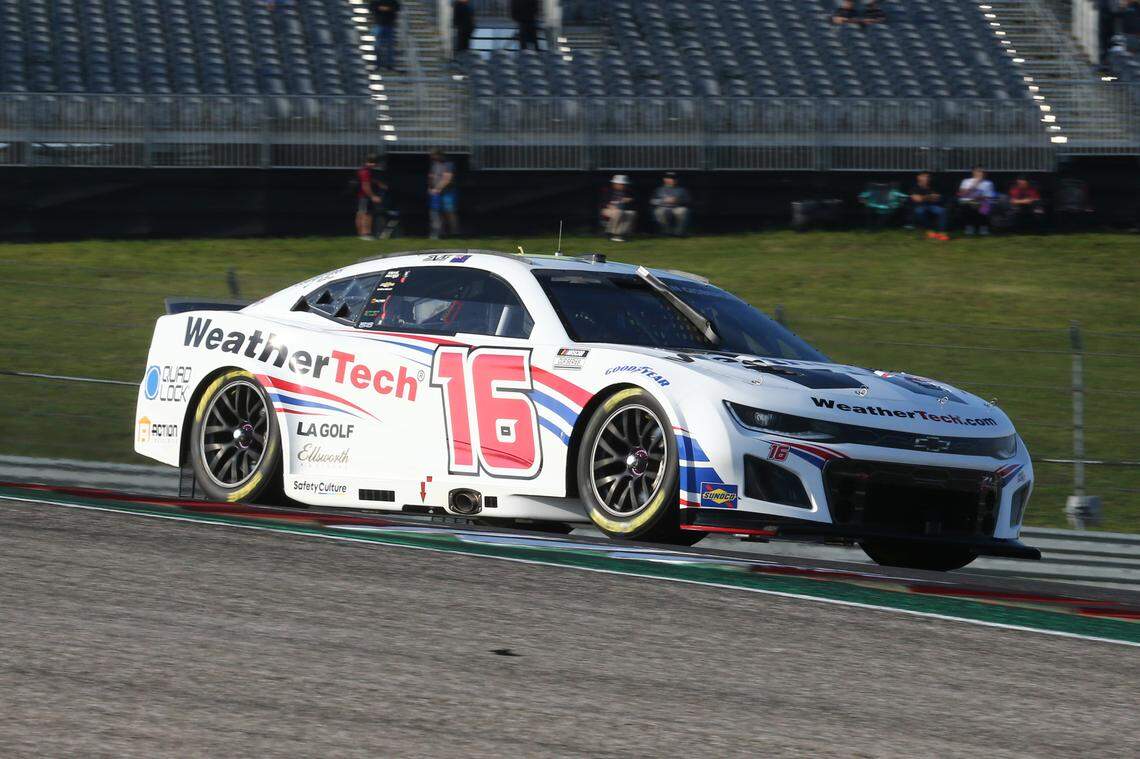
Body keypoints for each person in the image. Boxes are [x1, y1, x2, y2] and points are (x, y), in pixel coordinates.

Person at [957, 166, 997, 235]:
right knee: (968, 205)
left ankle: (983, 228)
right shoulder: (966, 181)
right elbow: (962, 194)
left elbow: (989, 196)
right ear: (973, 172)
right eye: (979, 171)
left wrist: (979, 197)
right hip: (968, 202)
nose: (981, 173)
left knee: (985, 205)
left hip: (982, 201)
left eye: (982, 172)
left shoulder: (988, 183)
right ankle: (970, 227)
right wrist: (975, 184)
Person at [428, 150, 459, 239]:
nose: (433, 158)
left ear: (440, 155)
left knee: (449, 211)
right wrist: (430, 187)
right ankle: (441, 232)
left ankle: (454, 232)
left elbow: (447, 179)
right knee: (437, 213)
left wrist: (437, 189)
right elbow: (431, 176)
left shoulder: (448, 164)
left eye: (434, 156)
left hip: (447, 192)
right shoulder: (434, 164)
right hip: (436, 192)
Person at [355, 153, 387, 240]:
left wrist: (378, 183)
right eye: (372, 163)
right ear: (368, 162)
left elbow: (369, 181)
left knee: (362, 214)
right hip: (364, 197)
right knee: (366, 214)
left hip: (363, 196)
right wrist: (373, 196)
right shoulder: (365, 172)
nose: (374, 165)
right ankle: (365, 234)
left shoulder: (365, 171)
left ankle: (362, 234)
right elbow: (365, 186)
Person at [908, 172, 948, 239]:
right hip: (918, 206)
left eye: (928, 177)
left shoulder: (932, 186)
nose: (926, 178)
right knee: (920, 211)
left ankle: (942, 232)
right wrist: (929, 197)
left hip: (931, 206)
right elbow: (918, 199)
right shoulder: (914, 187)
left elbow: (937, 198)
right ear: (919, 177)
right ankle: (929, 230)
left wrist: (925, 197)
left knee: (942, 211)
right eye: (924, 176)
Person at [651, 172, 691, 236]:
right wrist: (663, 200)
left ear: (676, 180)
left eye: (673, 179)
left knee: (684, 211)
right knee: (658, 211)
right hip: (664, 208)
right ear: (664, 179)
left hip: (676, 207)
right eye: (669, 178)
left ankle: (678, 232)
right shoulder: (659, 190)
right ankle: (666, 231)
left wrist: (678, 201)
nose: (671, 180)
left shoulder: (682, 190)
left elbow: (688, 201)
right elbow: (652, 201)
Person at [600, 175, 637, 242]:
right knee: (618, 212)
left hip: (621, 210)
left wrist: (629, 201)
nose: (622, 186)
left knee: (631, 213)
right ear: (615, 184)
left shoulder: (628, 192)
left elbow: (633, 203)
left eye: (624, 184)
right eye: (620, 184)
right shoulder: (608, 191)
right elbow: (602, 202)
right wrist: (609, 205)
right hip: (607, 210)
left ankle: (621, 233)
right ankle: (613, 233)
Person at [369, 0, 401, 72]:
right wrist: (386, 9)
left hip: (389, 25)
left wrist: (383, 8)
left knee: (390, 47)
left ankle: (389, 65)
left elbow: (397, 7)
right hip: (379, 24)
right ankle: (378, 64)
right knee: (378, 46)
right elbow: (372, 7)